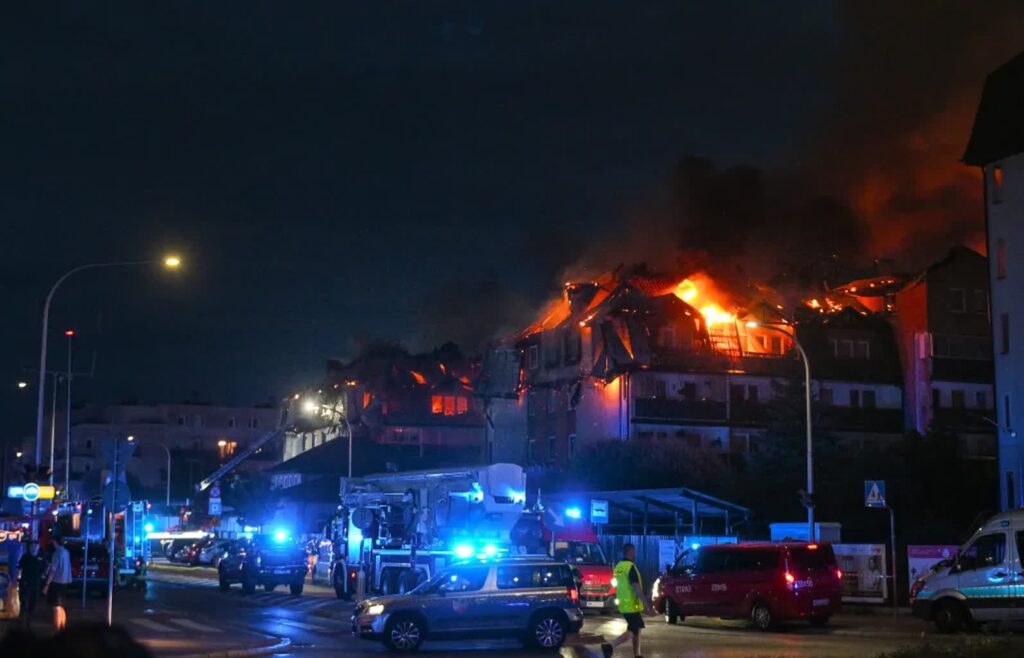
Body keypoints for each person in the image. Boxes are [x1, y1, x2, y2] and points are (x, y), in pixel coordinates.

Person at [602, 543, 652, 658]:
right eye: (634, 551)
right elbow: (636, 587)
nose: (635, 554)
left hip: (623, 604)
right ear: (630, 552)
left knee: (636, 628)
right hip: (631, 604)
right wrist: (645, 602)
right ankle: (610, 646)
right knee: (633, 631)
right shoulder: (630, 567)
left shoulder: (618, 567)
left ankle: (637, 654)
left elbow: (615, 584)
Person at [42, 535, 72, 631]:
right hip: (65, 581)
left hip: (57, 581)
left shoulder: (57, 553)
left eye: (53, 542)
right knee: (61, 605)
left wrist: (47, 584)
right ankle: (62, 626)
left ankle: (56, 628)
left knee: (56, 606)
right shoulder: (66, 552)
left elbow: (53, 570)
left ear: (55, 542)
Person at [17, 540, 45, 629]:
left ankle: (30, 614)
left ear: (38, 547)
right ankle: (22, 613)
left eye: (35, 546)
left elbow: (46, 566)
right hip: (25, 581)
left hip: (36, 582)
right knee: (23, 597)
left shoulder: (41, 557)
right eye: (32, 546)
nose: (33, 548)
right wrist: (16, 579)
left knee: (34, 598)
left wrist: (44, 575)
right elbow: (19, 568)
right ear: (29, 548)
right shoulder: (25, 557)